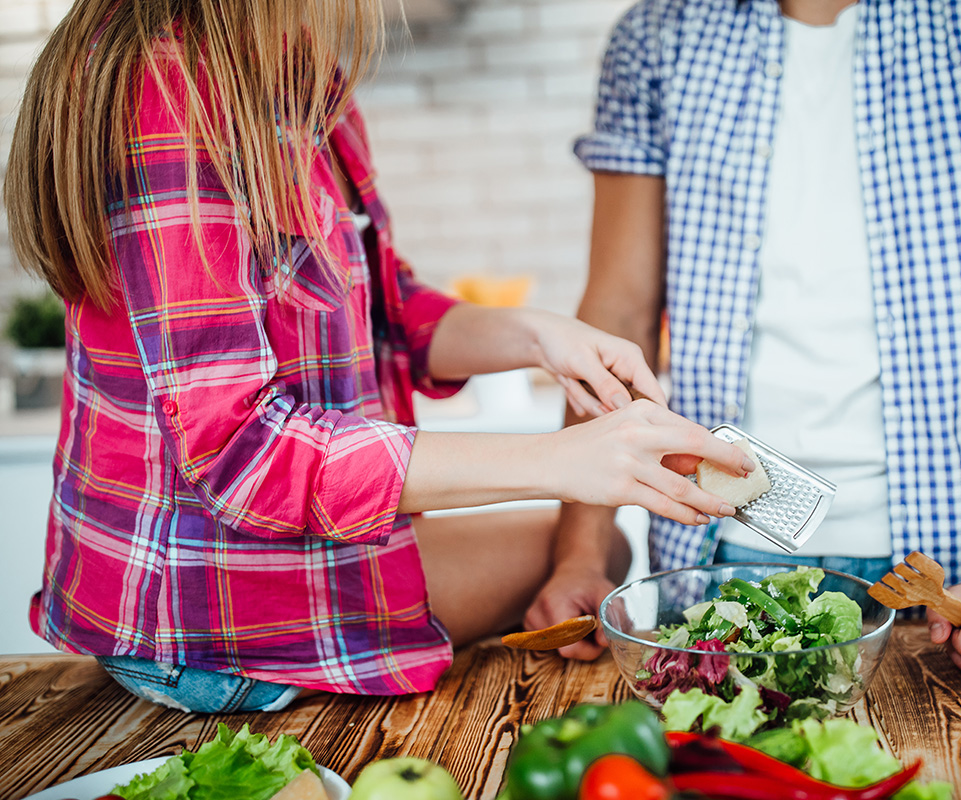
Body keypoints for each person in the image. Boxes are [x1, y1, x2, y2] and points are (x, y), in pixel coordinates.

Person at [2, 0, 757, 713]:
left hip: (268, 559)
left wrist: (539, 336)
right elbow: (240, 452)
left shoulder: (296, 64)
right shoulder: (165, 88)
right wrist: (559, 458)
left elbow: (382, 309)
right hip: (199, 621)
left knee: (596, 557)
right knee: (598, 556)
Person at [524, 0, 961, 671]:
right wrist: (581, 557)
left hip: (945, 580)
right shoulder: (655, 34)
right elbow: (618, 314)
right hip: (713, 559)